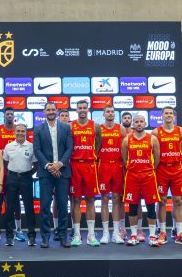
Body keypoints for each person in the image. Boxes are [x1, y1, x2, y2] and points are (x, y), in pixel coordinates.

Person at [33, 102, 73, 248]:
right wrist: (49, 166)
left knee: (63, 205)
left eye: (52, 109)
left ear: (56, 111)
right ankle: (45, 237)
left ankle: (63, 236)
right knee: (44, 206)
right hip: (45, 172)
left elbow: (70, 148)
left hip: (63, 171)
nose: (50, 111)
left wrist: (59, 164)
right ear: (44, 112)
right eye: (48, 109)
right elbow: (37, 150)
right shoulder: (38, 129)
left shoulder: (66, 128)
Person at [121, 115, 160, 246]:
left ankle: (153, 236)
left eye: (141, 121)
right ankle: (133, 235)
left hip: (148, 176)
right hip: (132, 176)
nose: (138, 124)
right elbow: (125, 159)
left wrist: (149, 169)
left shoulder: (152, 139)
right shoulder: (127, 140)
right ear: (133, 124)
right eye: (136, 122)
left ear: (145, 123)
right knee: (132, 207)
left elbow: (157, 158)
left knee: (151, 207)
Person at [152, 106, 182, 245]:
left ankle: (178, 231)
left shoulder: (181, 131)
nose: (168, 115)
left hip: (176, 169)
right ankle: (161, 231)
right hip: (162, 169)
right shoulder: (156, 132)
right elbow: (154, 152)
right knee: (161, 201)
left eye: (170, 113)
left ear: (174, 116)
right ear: (162, 116)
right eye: (166, 113)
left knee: (178, 201)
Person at [69, 100, 101, 247]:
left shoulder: (95, 125)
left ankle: (91, 234)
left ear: (88, 109)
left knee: (90, 200)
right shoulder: (71, 125)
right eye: (79, 108)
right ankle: (76, 234)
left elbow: (98, 144)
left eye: (84, 108)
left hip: (89, 166)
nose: (82, 110)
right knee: (75, 200)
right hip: (75, 165)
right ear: (76, 110)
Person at [0, 106, 26, 244]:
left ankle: (18, 230)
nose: (9, 116)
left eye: (11, 114)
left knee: (16, 202)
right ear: (4, 115)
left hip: (14, 171)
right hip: (1, 171)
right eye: (7, 114)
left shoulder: (18, 129)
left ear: (14, 116)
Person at [3, 124, 38, 246]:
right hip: (11, 178)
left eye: (23, 131)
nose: (20, 133)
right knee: (10, 208)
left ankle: (32, 236)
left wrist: (28, 174)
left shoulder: (31, 146)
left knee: (29, 208)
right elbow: (5, 162)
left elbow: (36, 165)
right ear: (14, 132)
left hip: (26, 178)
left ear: (26, 133)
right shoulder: (8, 146)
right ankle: (9, 236)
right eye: (18, 131)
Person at [97, 105, 128, 244]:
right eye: (107, 112)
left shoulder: (120, 128)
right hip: (103, 165)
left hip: (117, 165)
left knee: (116, 198)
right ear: (103, 114)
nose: (110, 114)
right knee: (104, 198)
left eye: (112, 112)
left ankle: (116, 232)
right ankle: (105, 233)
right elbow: (96, 147)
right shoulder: (99, 128)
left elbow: (126, 146)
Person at [53, 108, 72, 241]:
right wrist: (56, 166)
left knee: (70, 200)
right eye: (62, 116)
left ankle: (70, 228)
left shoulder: (71, 130)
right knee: (56, 200)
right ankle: (56, 227)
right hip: (55, 169)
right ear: (59, 117)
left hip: (70, 169)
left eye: (66, 116)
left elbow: (70, 149)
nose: (64, 118)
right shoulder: (55, 130)